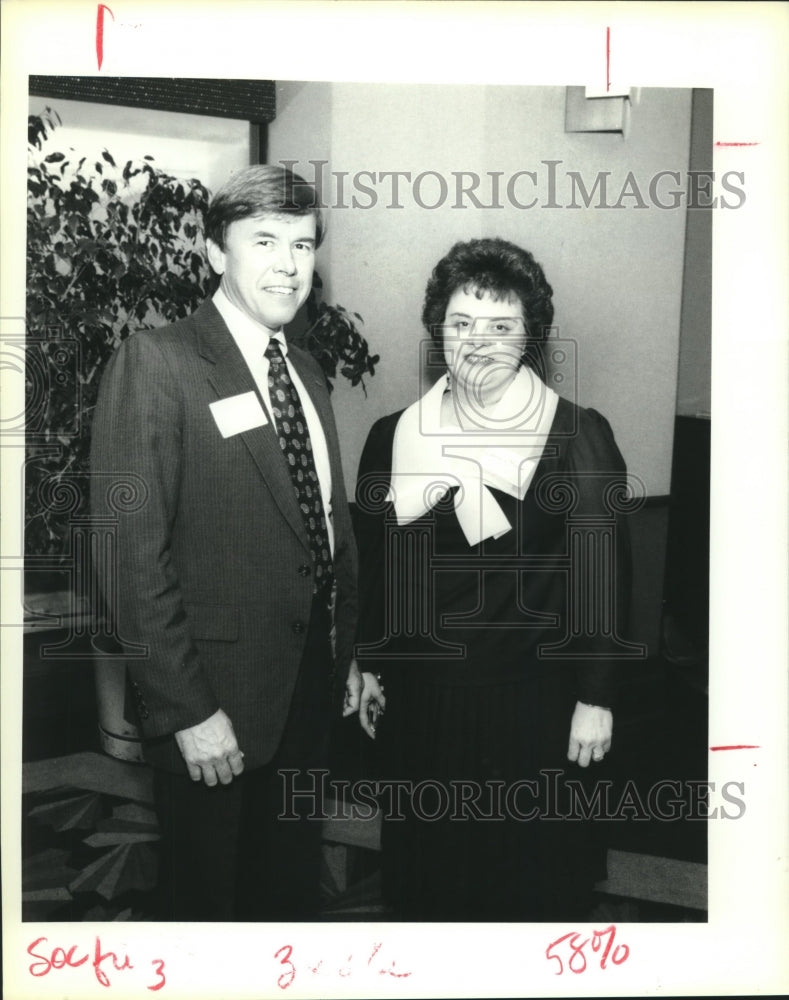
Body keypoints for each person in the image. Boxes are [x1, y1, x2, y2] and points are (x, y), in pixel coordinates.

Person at [90, 164, 361, 921]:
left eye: (303, 245)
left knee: (284, 899)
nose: (287, 264)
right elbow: (125, 552)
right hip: (212, 705)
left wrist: (345, 653)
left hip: (306, 692)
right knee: (209, 910)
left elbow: (323, 529)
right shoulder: (159, 362)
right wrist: (187, 712)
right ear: (214, 252)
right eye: (263, 241)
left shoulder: (306, 371)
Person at [353, 237, 635, 921]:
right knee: (428, 890)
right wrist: (368, 662)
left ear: (529, 336)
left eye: (499, 325)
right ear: (436, 331)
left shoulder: (572, 434)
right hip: (424, 707)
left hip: (530, 706)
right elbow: (379, 565)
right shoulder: (394, 435)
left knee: (524, 891)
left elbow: (604, 573)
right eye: (459, 323)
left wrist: (596, 698)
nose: (476, 342)